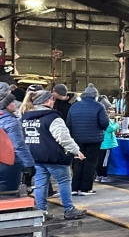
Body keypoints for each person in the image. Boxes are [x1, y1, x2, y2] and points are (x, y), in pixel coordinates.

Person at [22, 90, 86, 220]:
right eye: (52, 99)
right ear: (45, 101)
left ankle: (42, 212)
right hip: (54, 157)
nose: (53, 102)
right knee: (64, 181)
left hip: (35, 156)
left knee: (40, 184)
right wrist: (75, 150)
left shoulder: (25, 117)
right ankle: (69, 209)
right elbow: (63, 137)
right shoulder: (52, 117)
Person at [68, 83, 108, 196]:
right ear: (95, 95)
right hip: (94, 140)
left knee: (77, 162)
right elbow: (104, 123)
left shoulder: (74, 106)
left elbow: (69, 124)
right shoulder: (99, 106)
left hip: (77, 139)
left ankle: (75, 188)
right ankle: (86, 188)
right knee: (90, 163)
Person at [0, 91, 32, 192]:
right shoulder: (11, 122)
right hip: (9, 163)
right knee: (9, 194)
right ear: (6, 105)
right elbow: (18, 145)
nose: (15, 104)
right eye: (12, 102)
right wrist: (29, 164)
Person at [96, 97, 118, 183]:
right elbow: (109, 129)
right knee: (104, 161)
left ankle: (98, 175)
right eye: (108, 109)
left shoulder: (97, 116)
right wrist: (117, 124)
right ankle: (103, 176)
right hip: (106, 143)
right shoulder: (104, 118)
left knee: (99, 160)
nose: (109, 111)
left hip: (100, 143)